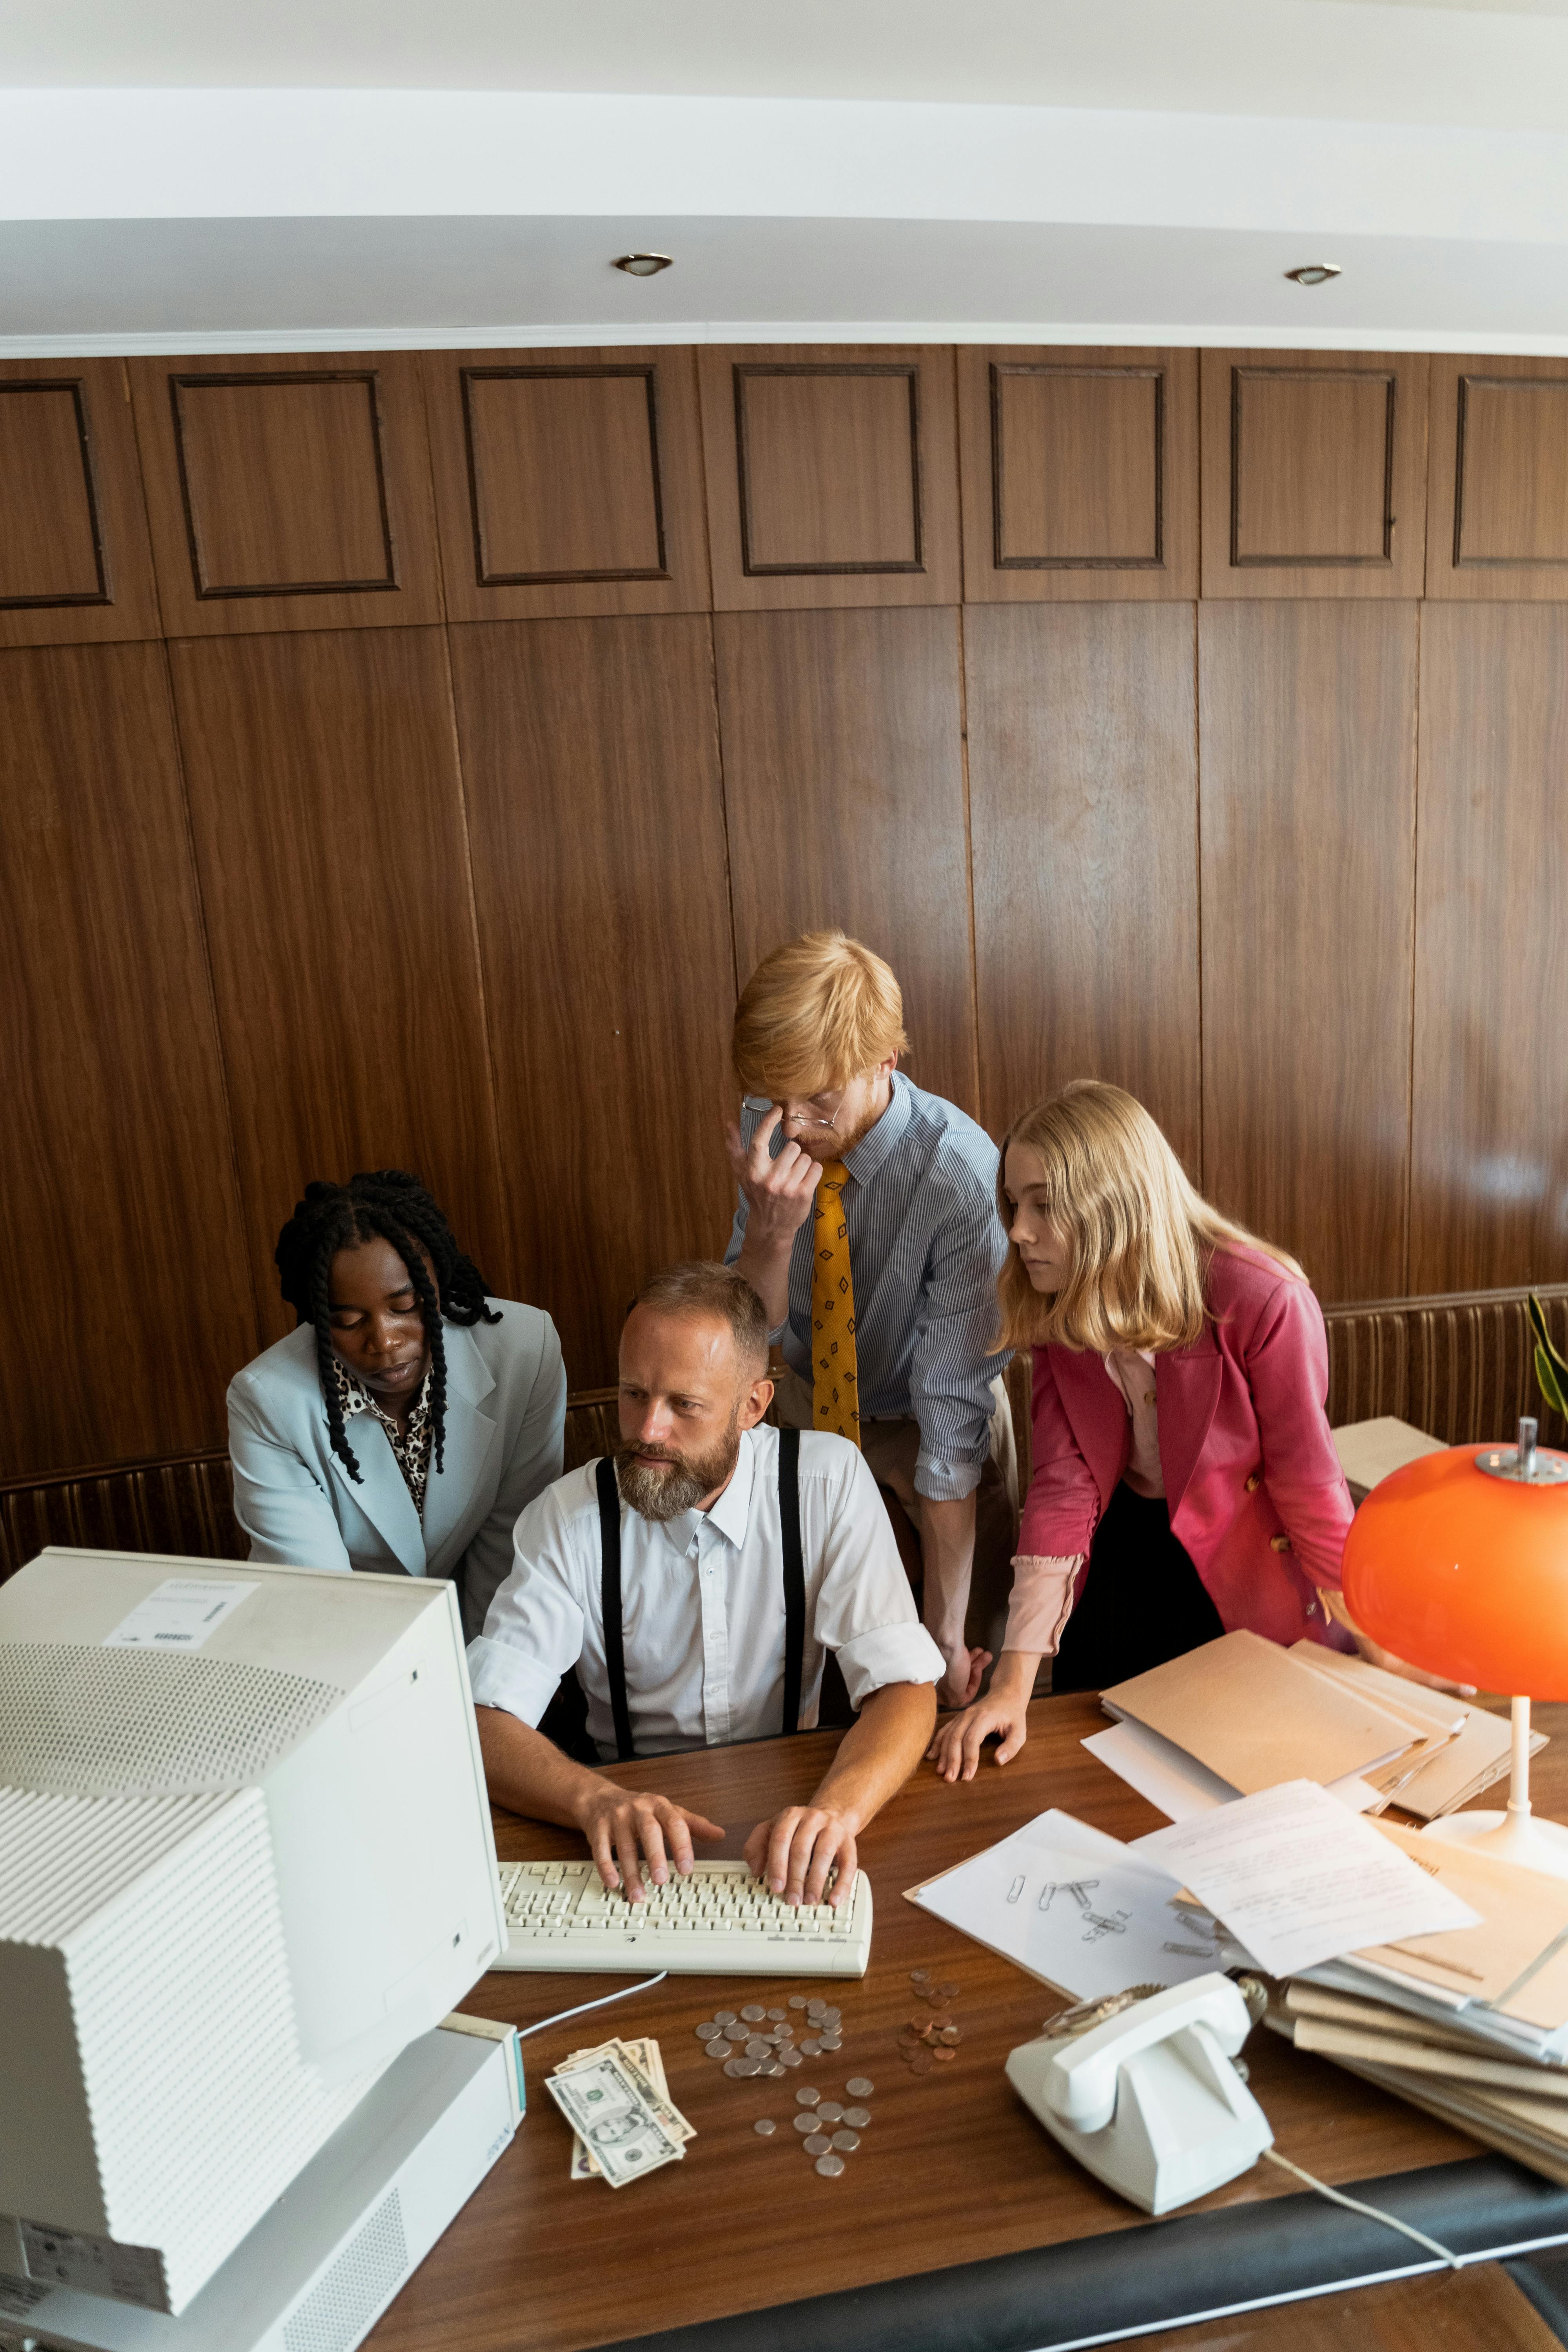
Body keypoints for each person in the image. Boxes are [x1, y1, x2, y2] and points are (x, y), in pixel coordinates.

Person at [930, 1081, 1446, 1782]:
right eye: (1013, 1204)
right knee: (1111, 1776)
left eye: (1044, 1205)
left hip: (1243, 1563)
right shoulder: (1057, 1302)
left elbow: (1309, 1487)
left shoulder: (1262, 1298)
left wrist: (1382, 1648)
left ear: (1116, 1204)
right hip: (1121, 1556)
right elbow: (1061, 1490)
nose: (1018, 1230)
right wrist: (1013, 1687)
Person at [470, 1261, 943, 1907]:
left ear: (753, 1405)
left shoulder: (828, 1484)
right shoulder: (567, 1517)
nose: (646, 1430)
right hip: (631, 1841)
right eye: (634, 1394)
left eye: (683, 1405)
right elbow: (484, 1719)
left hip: (788, 1815)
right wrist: (595, 1800)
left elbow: (905, 1688)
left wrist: (836, 1815)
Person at [722, 930, 1014, 1712]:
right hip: (803, 1405)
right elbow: (748, 1338)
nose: (792, 1124)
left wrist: (943, 1640)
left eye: (818, 1099)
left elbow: (950, 1426)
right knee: (813, 1672)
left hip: (932, 1420)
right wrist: (769, 1231)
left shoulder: (958, 1175)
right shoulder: (779, 1116)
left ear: (884, 1061)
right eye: (774, 1098)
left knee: (947, 1683)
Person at [229, 1169, 566, 1639]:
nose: (384, 1342)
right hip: (345, 1645)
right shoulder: (268, 1400)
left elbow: (509, 1550)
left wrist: (477, 1696)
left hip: (489, 1635)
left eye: (406, 1308)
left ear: (437, 1286)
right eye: (347, 1321)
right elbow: (321, 1597)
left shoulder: (525, 1351)